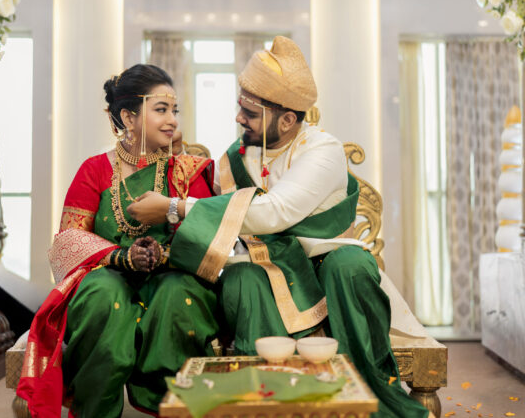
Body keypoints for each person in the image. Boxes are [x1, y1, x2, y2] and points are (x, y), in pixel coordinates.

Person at [127, 37, 431, 418]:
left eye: (250, 113)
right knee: (242, 279)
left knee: (349, 267)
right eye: (241, 108)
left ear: (287, 120)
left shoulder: (323, 151)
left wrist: (174, 208)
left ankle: (364, 400)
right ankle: (267, 402)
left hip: (325, 266)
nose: (239, 119)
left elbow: (273, 212)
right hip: (265, 268)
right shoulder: (239, 157)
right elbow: (213, 202)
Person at [16, 64, 219, 418]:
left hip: (172, 275)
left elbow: (210, 239)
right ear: (128, 117)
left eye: (174, 110)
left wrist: (162, 253)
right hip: (109, 274)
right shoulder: (94, 170)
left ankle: (173, 408)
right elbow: (68, 244)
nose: (172, 120)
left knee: (177, 297)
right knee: (102, 294)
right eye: (161, 110)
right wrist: (123, 257)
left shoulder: (187, 171)